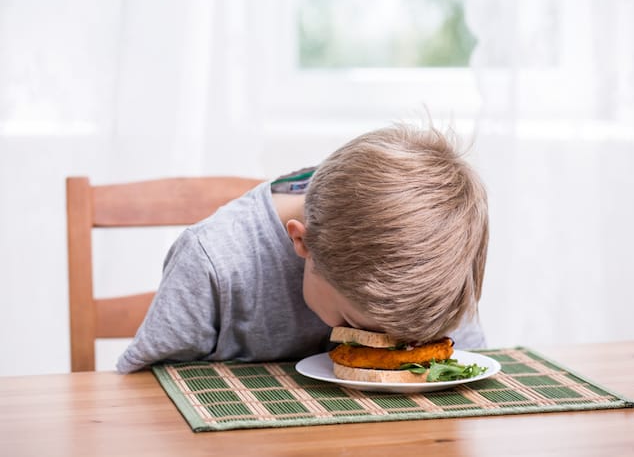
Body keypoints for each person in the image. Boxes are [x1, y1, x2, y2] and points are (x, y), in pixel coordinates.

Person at [116, 122, 489, 373]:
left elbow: (469, 364)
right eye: (351, 323)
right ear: (302, 241)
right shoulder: (215, 261)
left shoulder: (439, 254)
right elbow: (144, 394)